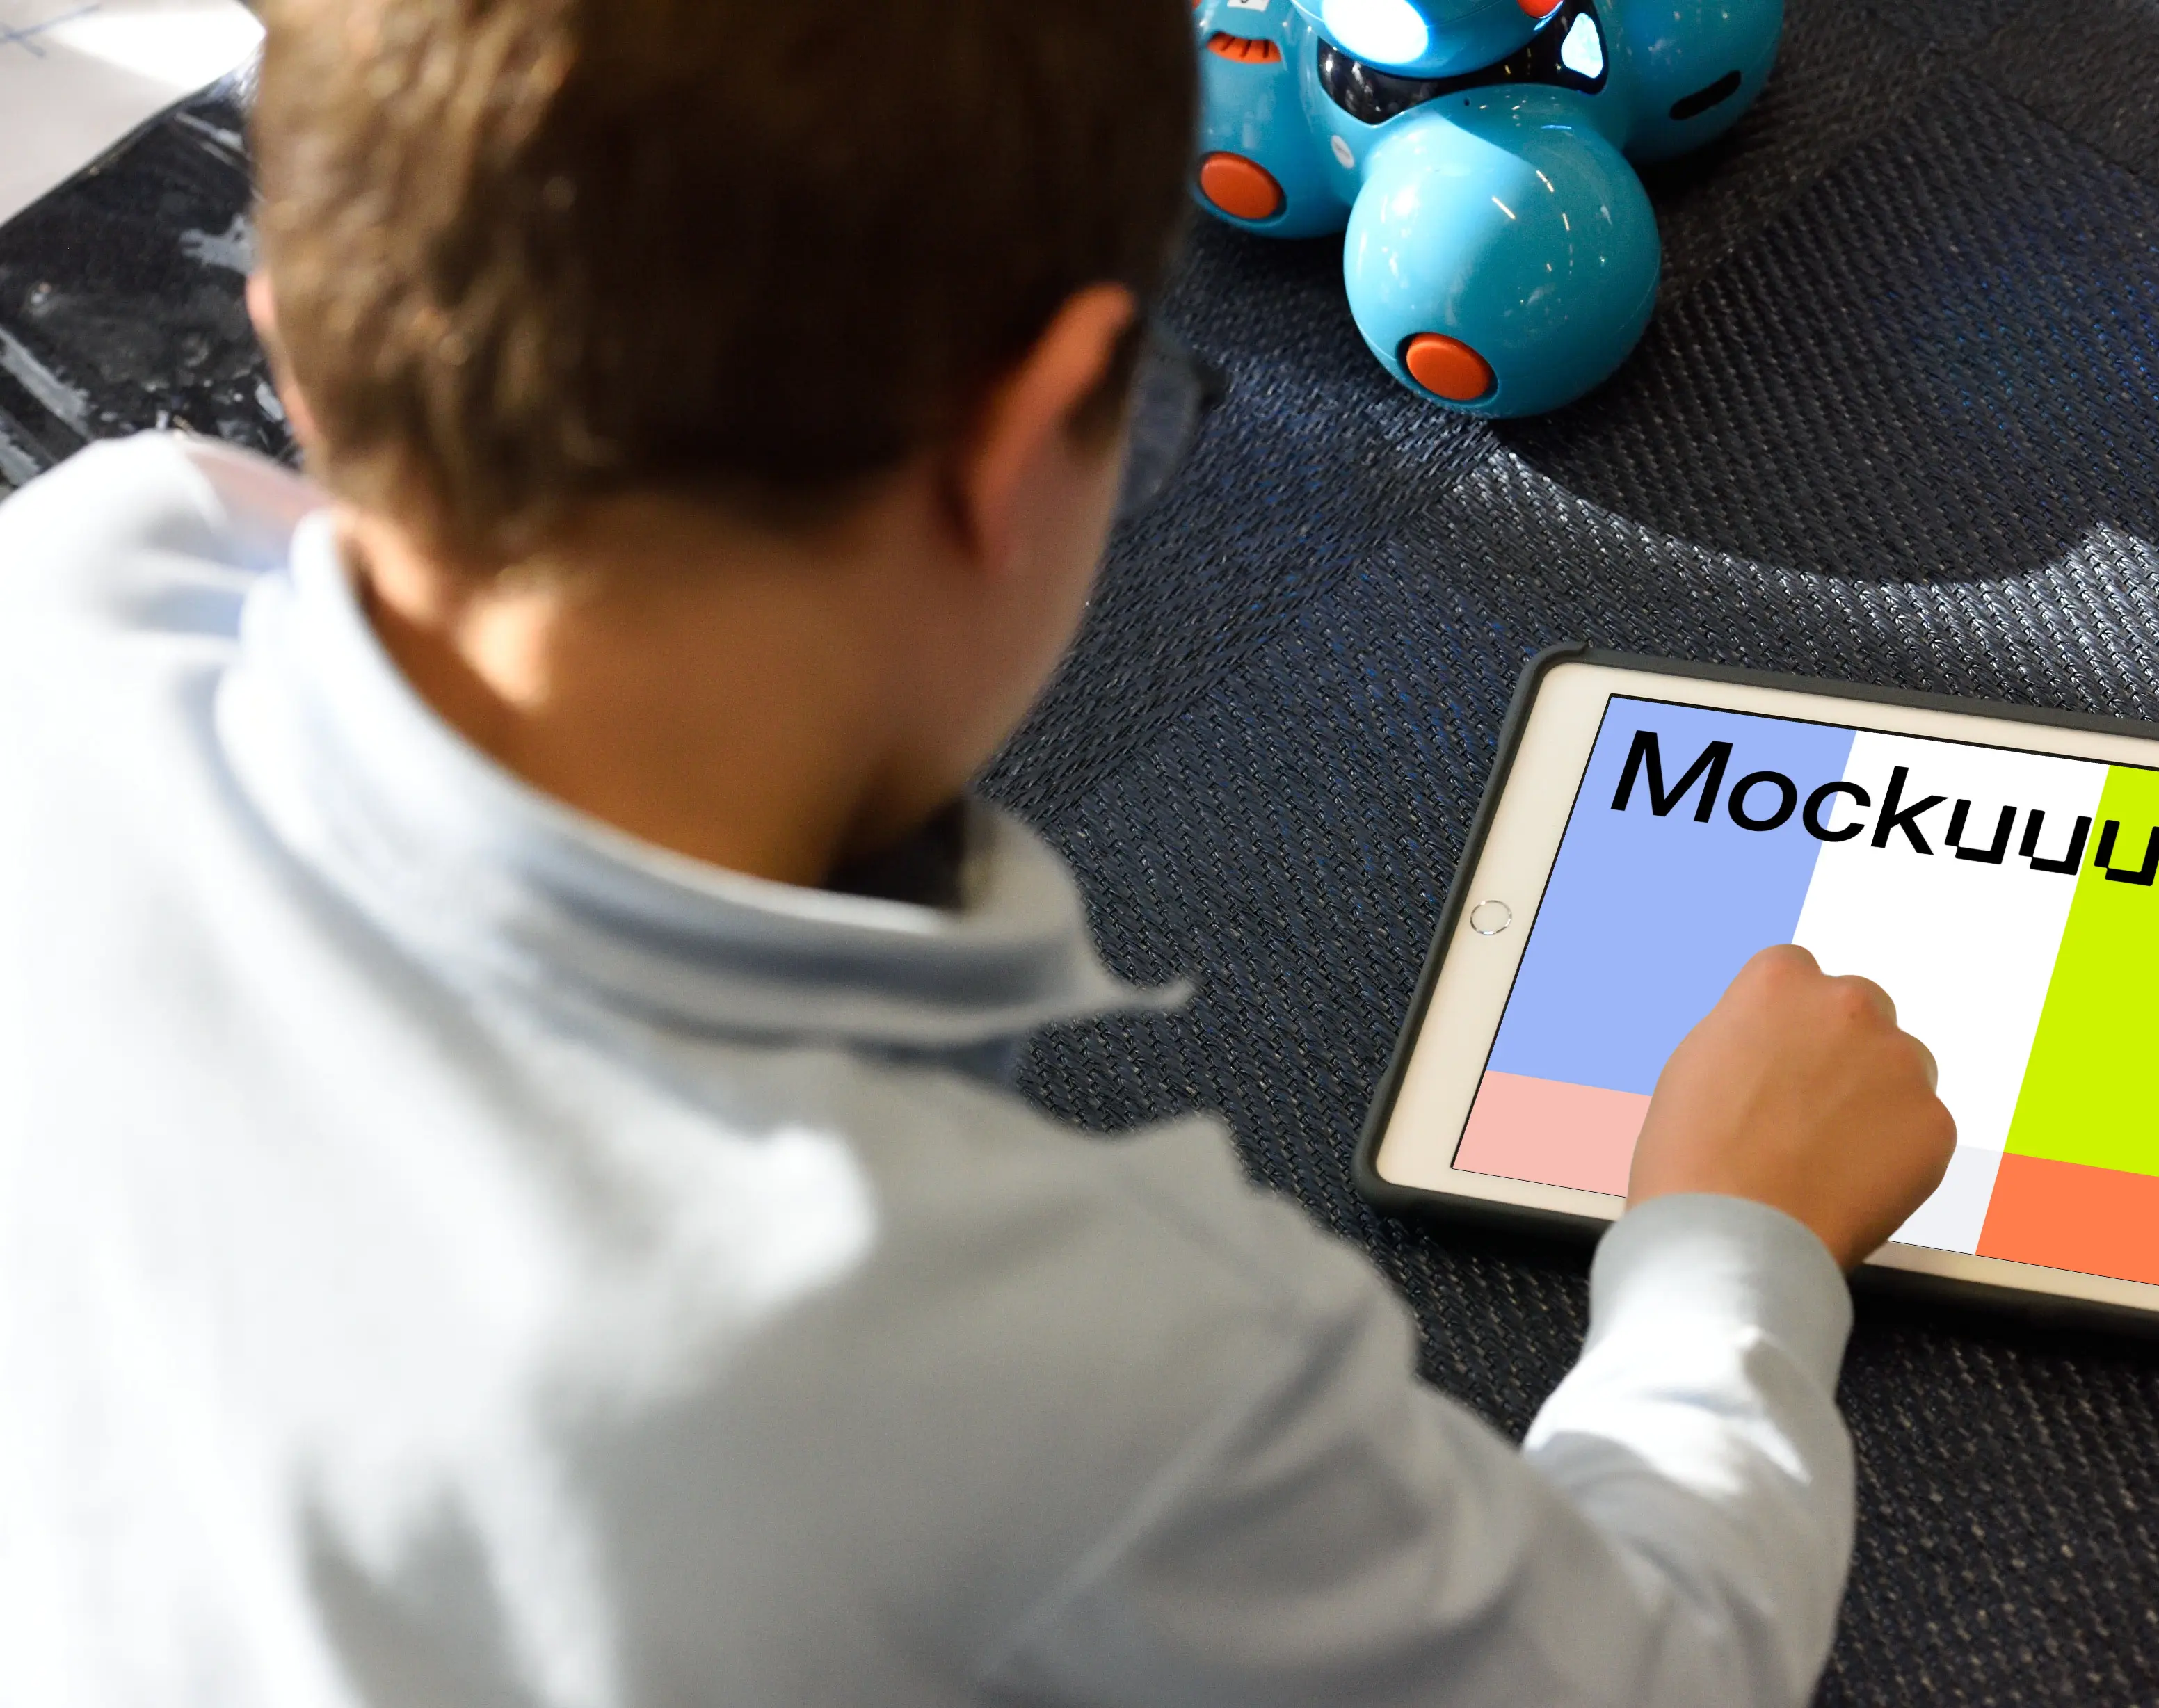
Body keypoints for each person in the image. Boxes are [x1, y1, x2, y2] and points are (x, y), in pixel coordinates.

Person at [0, 0, 1956, 1700]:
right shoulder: (1076, 1354)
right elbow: (1656, 1667)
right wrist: (1733, 1244)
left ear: (297, 353)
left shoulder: (84, 580)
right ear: (1026, 447)